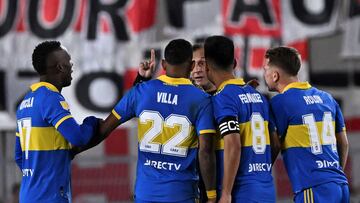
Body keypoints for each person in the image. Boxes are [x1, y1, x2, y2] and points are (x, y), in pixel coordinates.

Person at [89, 39, 217, 202]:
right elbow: (206, 152)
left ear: (163, 64)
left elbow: (104, 128)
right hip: (181, 194)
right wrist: (211, 196)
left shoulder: (141, 92)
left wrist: (74, 149)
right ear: (191, 66)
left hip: (146, 194)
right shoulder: (201, 100)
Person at [15, 41, 99, 202]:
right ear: (60, 67)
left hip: (28, 196)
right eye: (69, 62)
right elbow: (78, 137)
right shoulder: (50, 98)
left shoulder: (25, 102)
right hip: (50, 196)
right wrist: (91, 121)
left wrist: (39, 173)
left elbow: (19, 156)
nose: (72, 66)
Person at [263, 46, 349, 203]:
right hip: (340, 186)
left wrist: (259, 173)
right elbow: (343, 143)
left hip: (313, 188)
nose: (264, 74)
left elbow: (274, 145)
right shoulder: (327, 98)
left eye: (265, 69)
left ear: (275, 75)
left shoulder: (279, 103)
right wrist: (333, 176)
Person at [204, 35, 276, 203]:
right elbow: (275, 143)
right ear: (235, 63)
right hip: (265, 189)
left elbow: (233, 144)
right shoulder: (259, 96)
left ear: (207, 67)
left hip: (240, 192)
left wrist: (226, 193)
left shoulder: (223, 98)